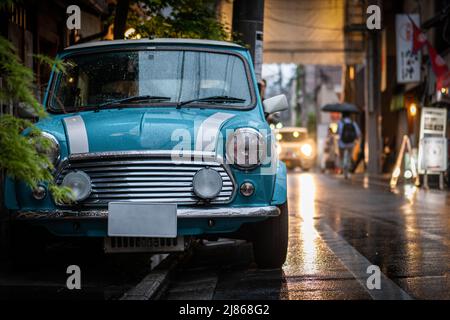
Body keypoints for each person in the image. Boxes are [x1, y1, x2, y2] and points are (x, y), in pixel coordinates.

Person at [337, 112, 361, 178]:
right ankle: (347, 168)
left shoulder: (340, 122)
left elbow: (337, 133)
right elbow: (358, 133)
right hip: (351, 143)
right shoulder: (353, 122)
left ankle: (343, 166)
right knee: (349, 156)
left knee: (342, 156)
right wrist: (356, 139)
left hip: (342, 144)